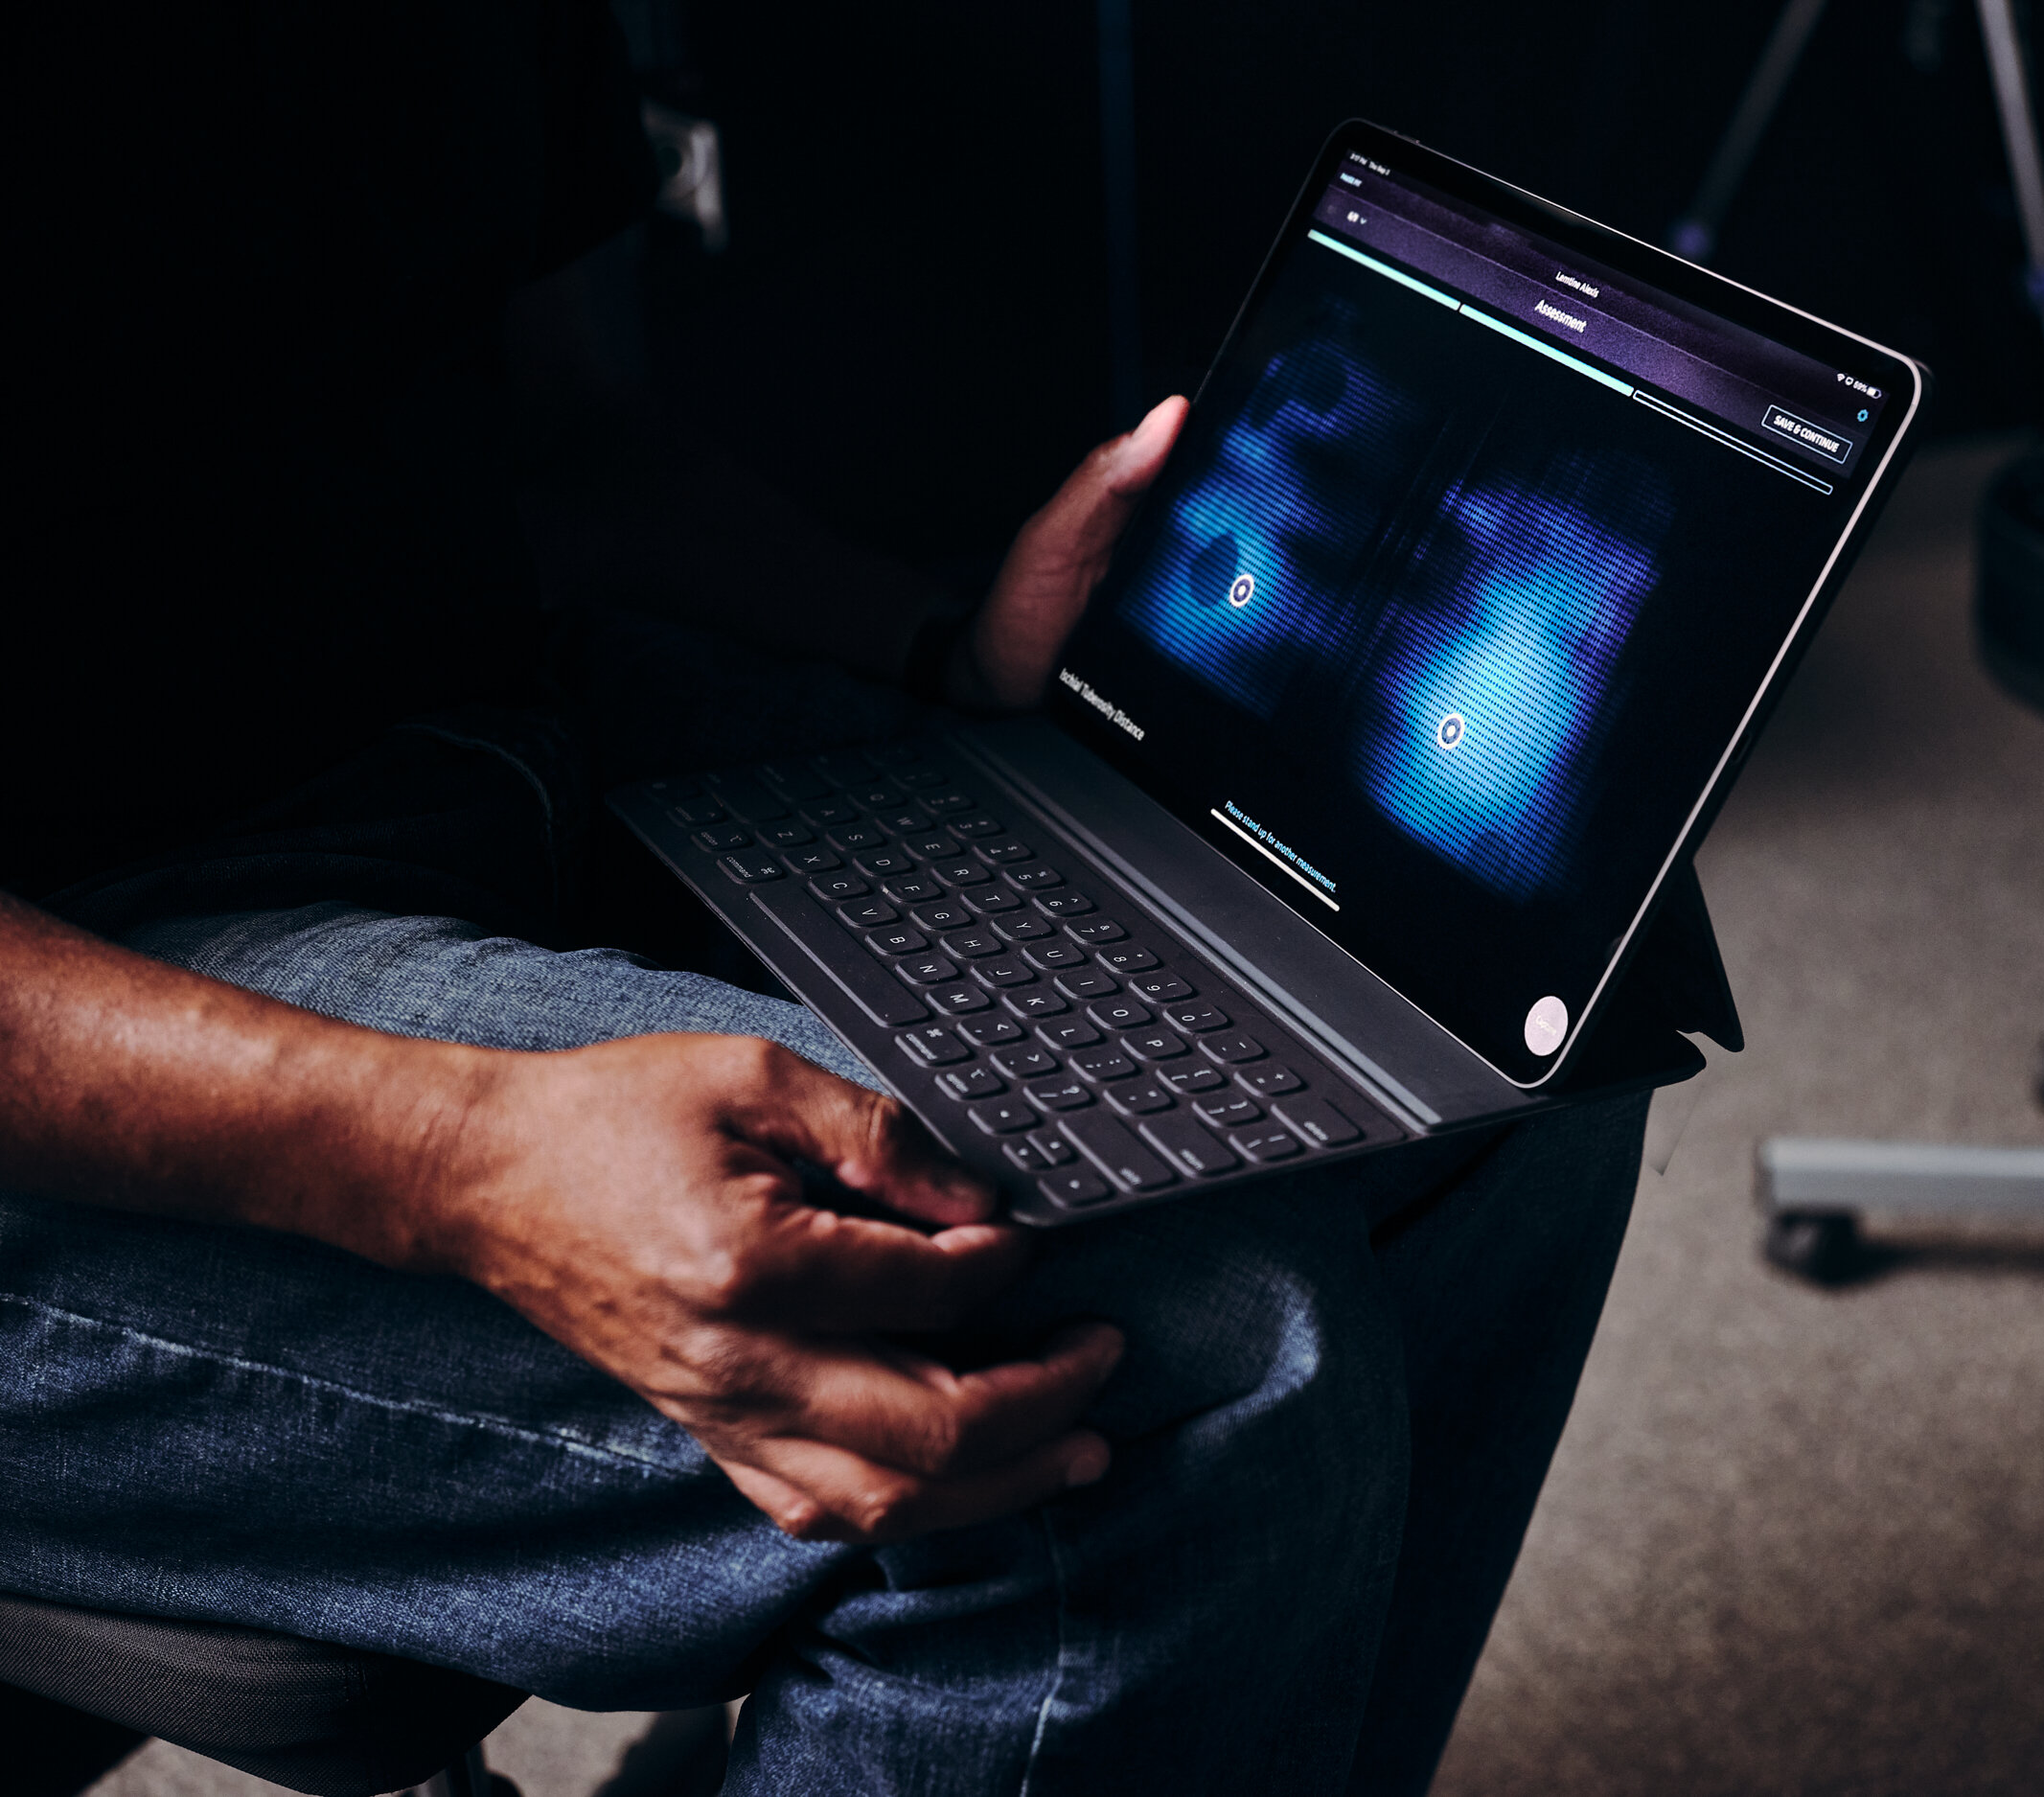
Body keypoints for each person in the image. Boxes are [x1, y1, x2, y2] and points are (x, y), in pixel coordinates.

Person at [3, 7, 1651, 1792]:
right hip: (87, 963)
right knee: (1142, 1364)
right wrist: (455, 1152)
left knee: (1482, 1053)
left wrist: (941, 657)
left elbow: (574, 450)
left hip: (480, 731)